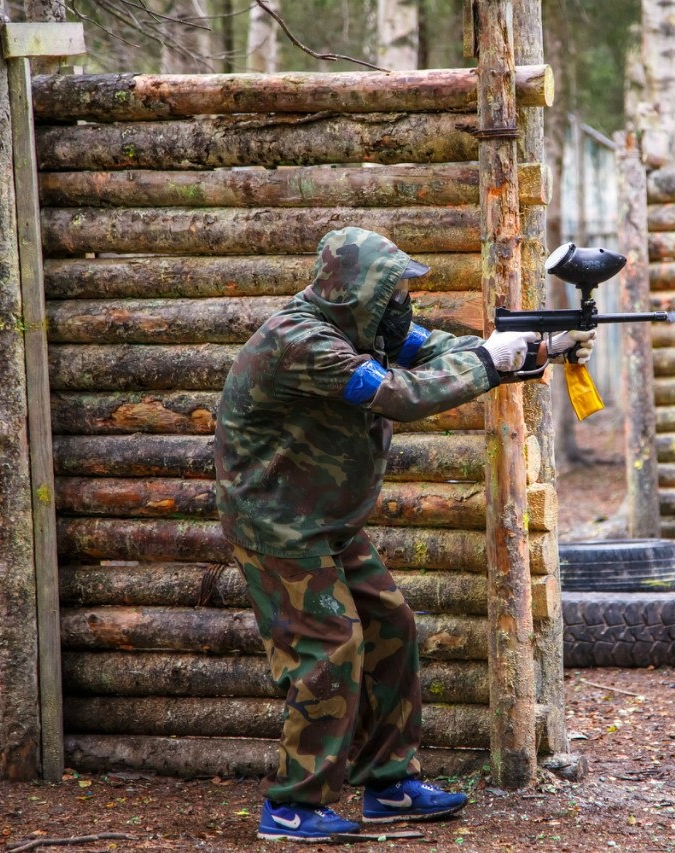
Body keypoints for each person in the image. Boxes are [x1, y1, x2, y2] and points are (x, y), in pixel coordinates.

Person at [215, 227, 594, 843]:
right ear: (356, 292)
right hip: (278, 524)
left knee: (392, 627)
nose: (403, 306)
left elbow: (435, 349)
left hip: (326, 519)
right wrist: (488, 361)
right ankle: (292, 806)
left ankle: (389, 785)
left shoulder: (367, 329)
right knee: (329, 647)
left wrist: (535, 347)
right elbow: (398, 394)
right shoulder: (304, 342)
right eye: (392, 292)